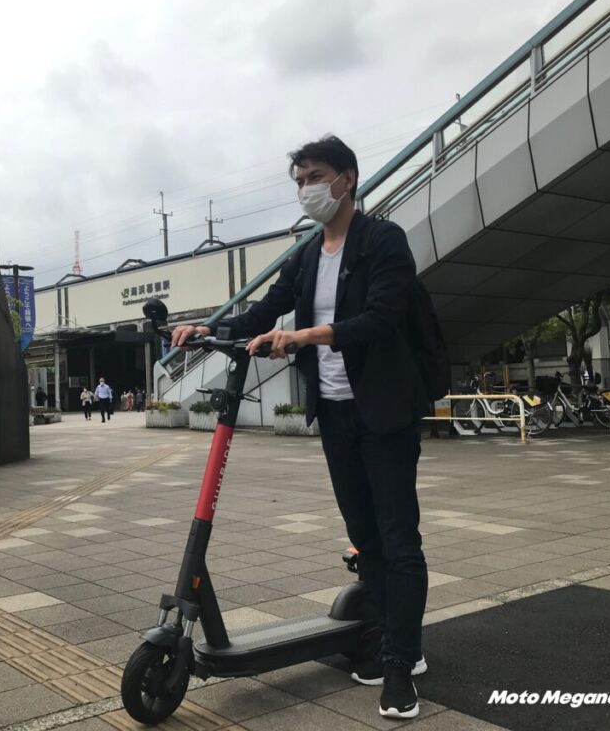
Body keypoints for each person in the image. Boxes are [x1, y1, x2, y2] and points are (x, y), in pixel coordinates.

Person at [171, 135, 429, 720]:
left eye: (314, 177)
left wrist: (303, 337)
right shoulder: (308, 253)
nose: (306, 189)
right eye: (299, 181)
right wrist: (207, 328)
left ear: (346, 178)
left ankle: (401, 663)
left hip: (384, 413)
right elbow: (265, 310)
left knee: (398, 538)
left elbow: (381, 318)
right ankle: (388, 638)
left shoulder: (383, 240)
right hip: (335, 413)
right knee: (365, 537)